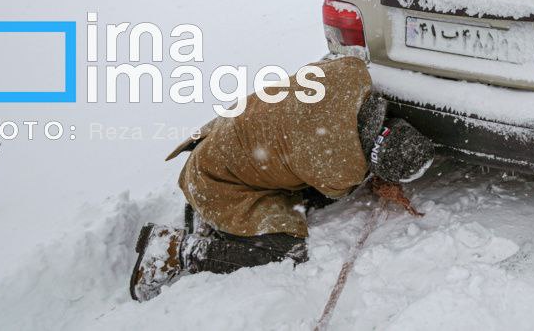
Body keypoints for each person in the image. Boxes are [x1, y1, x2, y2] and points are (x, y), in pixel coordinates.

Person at [129, 56, 435, 301]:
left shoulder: (352, 76)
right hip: (215, 180)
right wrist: (375, 177)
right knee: (286, 250)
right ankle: (177, 250)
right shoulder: (338, 164)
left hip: (216, 144)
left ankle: (213, 217)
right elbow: (337, 188)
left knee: (286, 166)